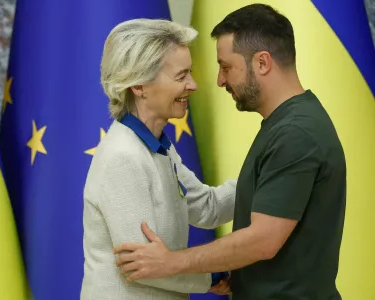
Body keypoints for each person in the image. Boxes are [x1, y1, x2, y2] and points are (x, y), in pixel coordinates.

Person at [114, 4, 347, 300]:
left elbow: (262, 240)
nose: (219, 81)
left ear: (262, 63)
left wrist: (170, 262)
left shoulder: (294, 133)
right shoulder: (286, 125)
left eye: (226, 67)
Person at [80, 18, 236, 300]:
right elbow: (145, 266)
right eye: (181, 76)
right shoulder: (123, 157)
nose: (194, 85)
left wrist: (267, 175)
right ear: (139, 85)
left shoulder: (157, 148)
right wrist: (213, 276)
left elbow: (208, 208)